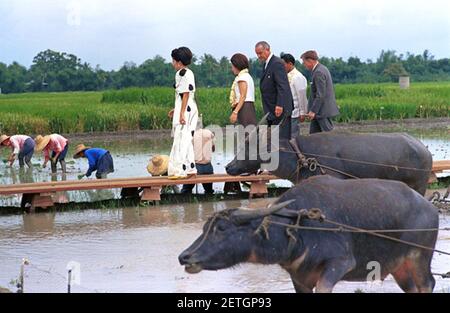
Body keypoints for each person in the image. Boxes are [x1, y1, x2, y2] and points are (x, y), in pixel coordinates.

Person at [167, 47, 198, 180]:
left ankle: (179, 170)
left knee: (181, 140)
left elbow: (185, 93)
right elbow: (184, 95)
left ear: (178, 62)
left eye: (173, 61)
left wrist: (181, 113)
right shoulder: (188, 72)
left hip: (186, 110)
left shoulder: (182, 73)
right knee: (186, 139)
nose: (172, 63)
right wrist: (177, 109)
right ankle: (191, 168)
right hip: (189, 108)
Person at [255, 41, 293, 139]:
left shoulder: (277, 63)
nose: (259, 56)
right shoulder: (266, 64)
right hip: (271, 108)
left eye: (260, 53)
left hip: (279, 109)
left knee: (282, 138)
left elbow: (282, 86)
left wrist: (280, 104)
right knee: (274, 138)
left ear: (267, 50)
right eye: (257, 54)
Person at [301, 50, 340, 134]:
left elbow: (320, 95)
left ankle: (335, 147)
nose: (304, 65)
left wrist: (313, 111)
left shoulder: (318, 72)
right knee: (313, 136)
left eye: (304, 63)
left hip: (322, 111)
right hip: (319, 112)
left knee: (329, 135)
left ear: (310, 61)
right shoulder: (322, 69)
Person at [280, 53, 308, 138]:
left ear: (290, 64)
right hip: (286, 112)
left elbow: (301, 95)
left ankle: (295, 151)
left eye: (283, 64)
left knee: (293, 135)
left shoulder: (297, 77)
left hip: (295, 111)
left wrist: (302, 112)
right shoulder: (285, 76)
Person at [181, 127, 215, 194]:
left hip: (196, 167)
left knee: (186, 189)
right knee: (209, 191)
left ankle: (185, 200)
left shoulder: (191, 134)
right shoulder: (209, 133)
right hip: (208, 167)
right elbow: (213, 149)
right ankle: (209, 201)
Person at [229, 53, 257, 127]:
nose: (232, 69)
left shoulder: (242, 78)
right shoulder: (247, 76)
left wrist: (235, 112)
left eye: (232, 66)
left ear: (237, 65)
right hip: (247, 106)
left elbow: (243, 96)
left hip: (244, 107)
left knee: (246, 132)